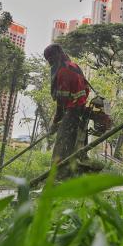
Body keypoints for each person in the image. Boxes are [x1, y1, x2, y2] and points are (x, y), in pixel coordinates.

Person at [44, 43, 90, 178]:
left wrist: (55, 122)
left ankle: (57, 179)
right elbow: (85, 89)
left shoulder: (63, 71)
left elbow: (61, 101)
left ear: (57, 55)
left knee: (61, 147)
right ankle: (74, 178)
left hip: (72, 113)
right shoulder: (75, 67)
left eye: (50, 58)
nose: (49, 62)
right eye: (47, 60)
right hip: (81, 113)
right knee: (77, 148)